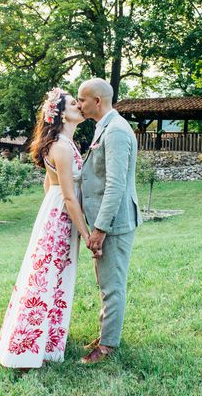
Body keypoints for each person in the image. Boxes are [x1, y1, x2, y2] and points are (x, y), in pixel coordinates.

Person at [0, 88, 90, 368]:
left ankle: (47, 340)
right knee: (47, 276)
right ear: (61, 113)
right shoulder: (61, 146)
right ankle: (26, 346)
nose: (79, 106)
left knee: (55, 276)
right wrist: (85, 233)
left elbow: (49, 184)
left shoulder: (65, 143)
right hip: (61, 215)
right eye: (74, 104)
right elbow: (69, 195)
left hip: (54, 211)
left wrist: (50, 207)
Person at [77, 78, 142, 364]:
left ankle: (108, 346)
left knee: (112, 284)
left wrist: (100, 229)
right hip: (106, 222)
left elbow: (115, 185)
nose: (79, 105)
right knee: (106, 281)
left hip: (114, 223)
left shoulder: (115, 131)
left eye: (82, 99)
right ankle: (106, 334)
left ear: (97, 101)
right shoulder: (103, 127)